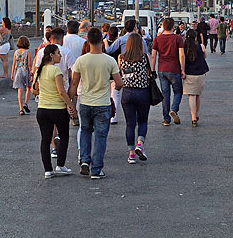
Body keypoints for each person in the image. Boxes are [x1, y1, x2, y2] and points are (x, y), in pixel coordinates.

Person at [69, 27, 123, 179]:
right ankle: (96, 170)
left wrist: (69, 103)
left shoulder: (81, 60)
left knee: (85, 131)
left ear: (88, 41)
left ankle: (85, 161)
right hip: (102, 103)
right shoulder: (109, 60)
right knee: (100, 137)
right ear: (101, 41)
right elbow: (118, 84)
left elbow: (74, 84)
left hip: (85, 102)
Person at [35, 44, 77, 179]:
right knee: (64, 136)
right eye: (58, 53)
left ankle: (48, 170)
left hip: (42, 109)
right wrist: (71, 106)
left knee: (45, 139)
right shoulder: (56, 71)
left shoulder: (39, 71)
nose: (60, 55)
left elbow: (34, 89)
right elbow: (61, 92)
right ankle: (60, 165)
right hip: (57, 109)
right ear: (51, 55)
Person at [118, 33, 151, 163]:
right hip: (142, 92)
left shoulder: (121, 58)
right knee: (142, 121)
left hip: (127, 93)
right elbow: (150, 73)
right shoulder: (144, 57)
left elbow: (121, 72)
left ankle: (131, 154)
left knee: (130, 124)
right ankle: (140, 144)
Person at [151, 17, 185, 126]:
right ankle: (174, 110)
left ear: (163, 26)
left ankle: (166, 119)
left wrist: (152, 70)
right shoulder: (178, 38)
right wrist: (183, 69)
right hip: (174, 69)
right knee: (178, 91)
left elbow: (153, 56)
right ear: (173, 26)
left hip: (162, 69)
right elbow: (181, 55)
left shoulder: (157, 39)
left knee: (165, 94)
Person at [183, 29, 209, 126]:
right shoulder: (200, 46)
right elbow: (205, 56)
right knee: (198, 94)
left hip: (189, 73)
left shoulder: (184, 47)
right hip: (200, 73)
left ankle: (193, 117)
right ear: (195, 37)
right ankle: (197, 114)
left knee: (191, 95)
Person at [10, 36, 33, 116]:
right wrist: (32, 73)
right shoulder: (28, 52)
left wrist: (12, 74)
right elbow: (29, 64)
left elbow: (13, 64)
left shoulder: (16, 52)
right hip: (26, 71)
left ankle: (20, 109)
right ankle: (26, 103)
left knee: (20, 90)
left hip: (18, 71)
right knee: (28, 88)